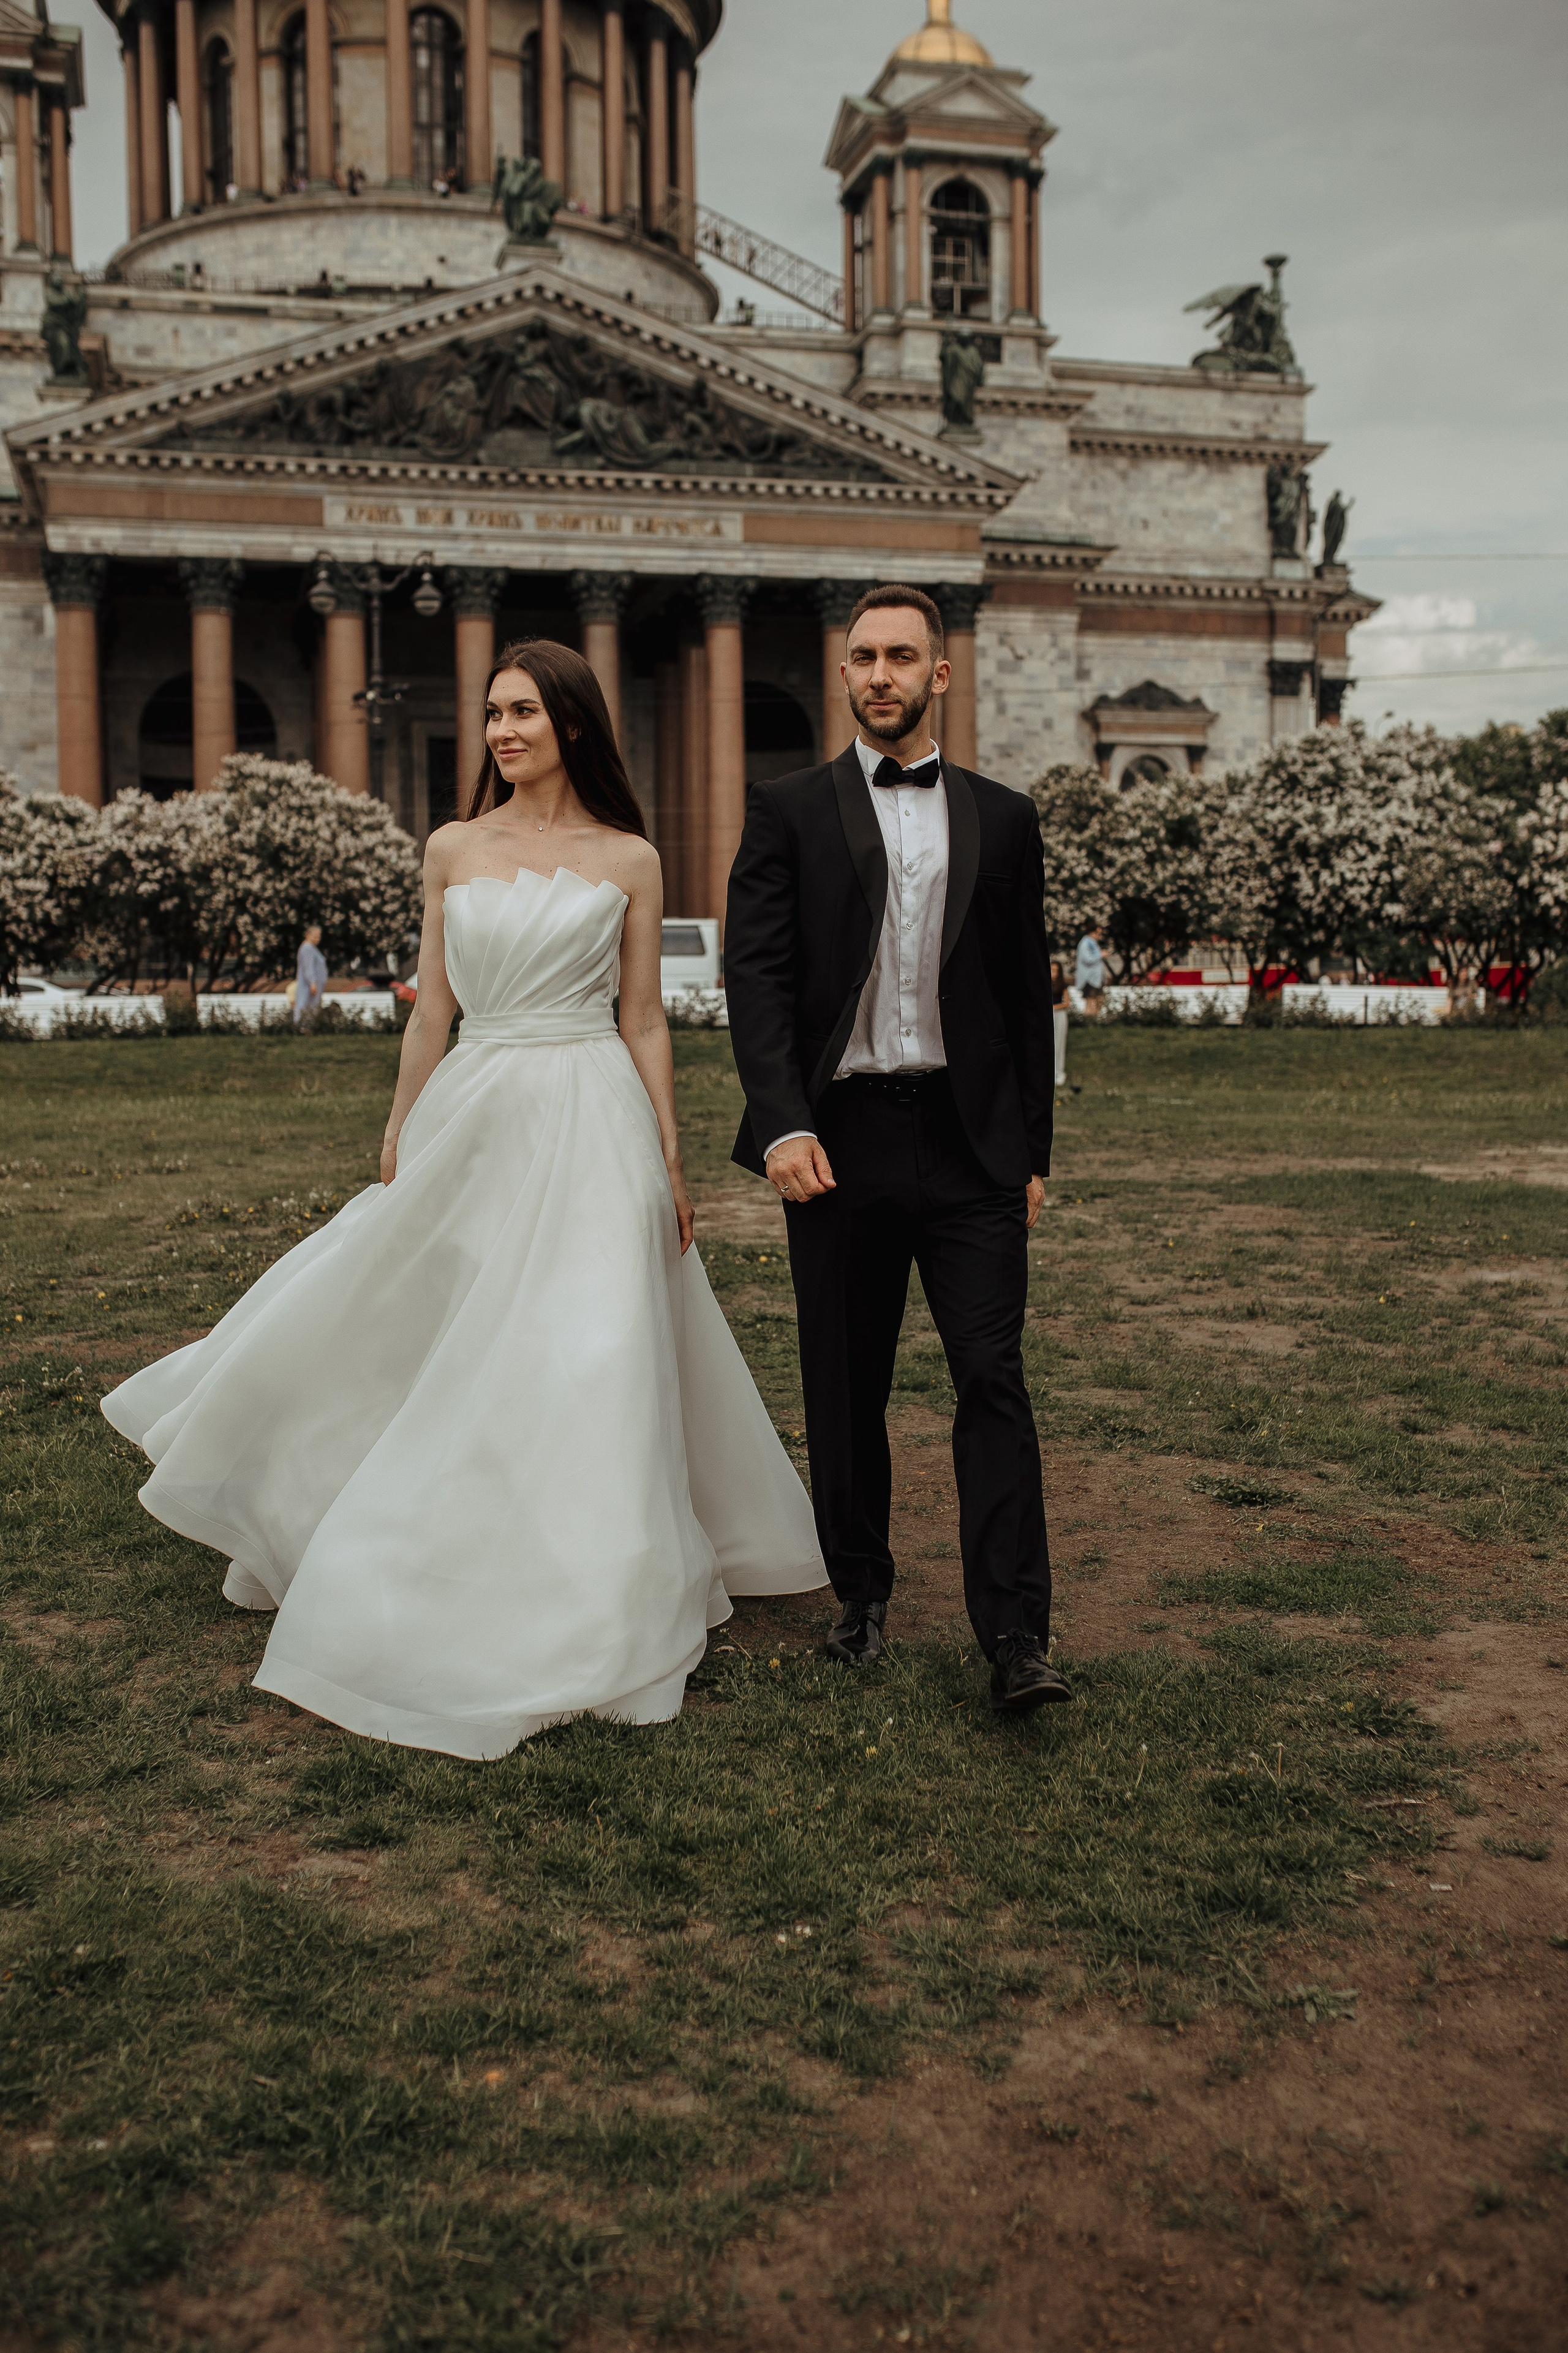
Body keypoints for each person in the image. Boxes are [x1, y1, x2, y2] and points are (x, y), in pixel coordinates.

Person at [102, 641, 826, 1758]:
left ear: (572, 725)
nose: (501, 731)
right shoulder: (449, 848)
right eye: (492, 713)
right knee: (435, 1318)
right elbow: (430, 1009)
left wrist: (671, 1160)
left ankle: (599, 1582)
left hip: (593, 1111)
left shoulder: (631, 858)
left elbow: (642, 1018)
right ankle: (403, 1525)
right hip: (476, 1104)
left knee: (592, 1345)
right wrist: (401, 1122)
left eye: (523, 712)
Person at [725, 584, 1071, 1718]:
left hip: (972, 1147)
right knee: (845, 1382)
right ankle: (861, 1597)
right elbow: (759, 984)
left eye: (902, 656)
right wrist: (781, 1120)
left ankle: (1018, 1634)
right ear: (844, 674)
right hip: (838, 1140)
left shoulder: (1006, 817)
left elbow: (1028, 997)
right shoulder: (784, 810)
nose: (880, 674)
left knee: (992, 1380)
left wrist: (1032, 1154)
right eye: (863, 656)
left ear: (941, 674)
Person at [293, 924, 327, 1027]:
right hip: (309, 985)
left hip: (312, 984)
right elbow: (309, 967)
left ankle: (307, 1027)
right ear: (308, 935)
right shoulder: (307, 948)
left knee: (311, 1006)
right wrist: (313, 982)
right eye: (315, 936)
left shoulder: (312, 948)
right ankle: (302, 1027)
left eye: (319, 936)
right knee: (305, 1004)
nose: (318, 939)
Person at [1075, 924, 1105, 1018]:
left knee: (1097, 1000)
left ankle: (1092, 1022)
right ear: (1092, 932)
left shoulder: (1092, 943)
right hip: (1089, 979)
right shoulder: (1086, 943)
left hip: (1094, 979)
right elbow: (1087, 959)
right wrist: (1101, 955)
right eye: (1098, 933)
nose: (1100, 936)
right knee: (1091, 1001)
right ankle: (1089, 1022)